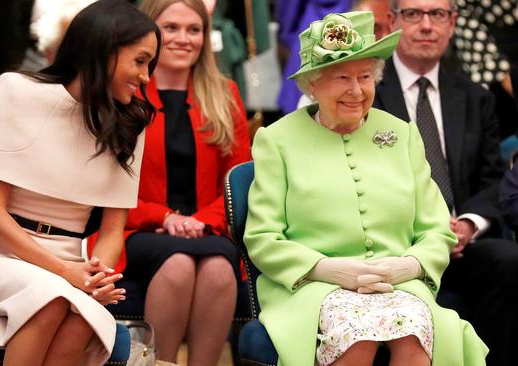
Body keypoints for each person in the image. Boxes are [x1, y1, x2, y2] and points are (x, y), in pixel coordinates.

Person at [245, 10, 488, 366]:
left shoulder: (402, 134)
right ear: (312, 84)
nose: (356, 91)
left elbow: (437, 229)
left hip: (399, 286)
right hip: (315, 288)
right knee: (357, 337)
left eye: (365, 77)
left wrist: (407, 266)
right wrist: (328, 269)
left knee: (414, 333)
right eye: (342, 77)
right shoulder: (277, 140)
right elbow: (262, 237)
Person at [0, 1, 161, 365]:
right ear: (105, 51)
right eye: (140, 61)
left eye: (150, 65)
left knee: (84, 317)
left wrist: (96, 280)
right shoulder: (16, 90)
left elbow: (111, 232)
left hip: (71, 266)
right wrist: (67, 275)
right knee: (53, 299)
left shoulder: (130, 124)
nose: (146, 77)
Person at [90, 0, 250, 364]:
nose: (183, 38)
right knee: (177, 264)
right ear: (149, 34)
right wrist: (164, 218)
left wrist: (201, 221)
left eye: (194, 29)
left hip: (208, 229)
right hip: (134, 229)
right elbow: (106, 184)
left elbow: (237, 180)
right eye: (171, 28)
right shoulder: (123, 92)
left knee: (219, 267)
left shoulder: (225, 93)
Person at [373, 0, 518, 364]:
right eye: (413, 14)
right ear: (392, 22)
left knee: (509, 259)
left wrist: (467, 226)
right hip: (394, 244)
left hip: (460, 245)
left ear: (452, 24)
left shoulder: (474, 97)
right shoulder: (367, 93)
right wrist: (426, 231)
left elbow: (493, 181)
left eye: (437, 14)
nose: (426, 25)